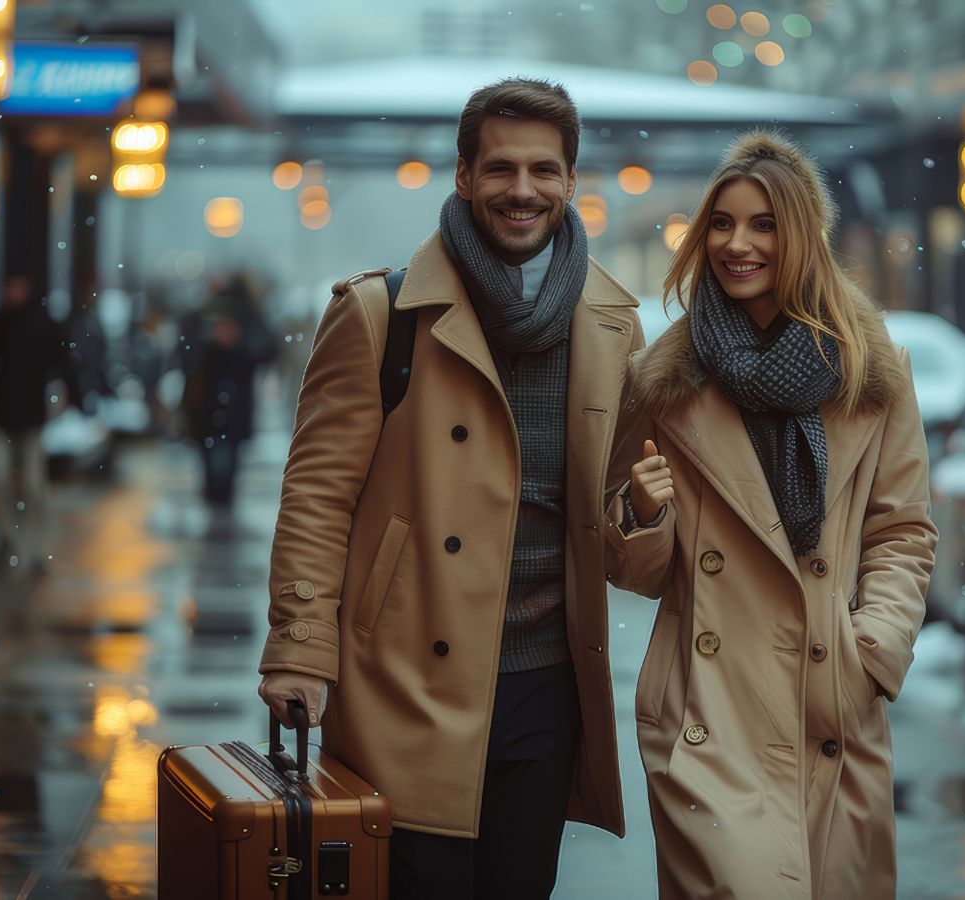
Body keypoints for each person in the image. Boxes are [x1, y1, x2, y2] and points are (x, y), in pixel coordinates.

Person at [257, 78, 645, 898]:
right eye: (500, 168)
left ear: (572, 183)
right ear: (463, 176)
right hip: (405, 679)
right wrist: (298, 648)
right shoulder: (382, 314)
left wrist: (644, 512)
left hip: (547, 687)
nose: (523, 190)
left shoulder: (612, 326)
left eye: (545, 170)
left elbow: (611, 521)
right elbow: (318, 496)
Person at [605, 130, 937, 898]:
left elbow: (902, 530)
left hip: (831, 705)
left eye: (764, 224)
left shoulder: (869, 371)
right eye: (721, 224)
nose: (738, 243)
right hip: (709, 713)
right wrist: (642, 513)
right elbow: (637, 572)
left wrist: (873, 651)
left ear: (803, 237)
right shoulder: (664, 381)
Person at [0, 274, 71, 573]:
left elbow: (61, 362)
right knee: (1, 484)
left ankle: (35, 549)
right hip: (4, 419)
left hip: (31, 420)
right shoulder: (1, 322)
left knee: (34, 487)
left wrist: (66, 392)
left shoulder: (40, 323)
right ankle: (7, 542)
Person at [180, 274, 276, 509]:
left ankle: (218, 506)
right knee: (215, 463)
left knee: (223, 464)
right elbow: (185, 353)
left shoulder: (246, 318)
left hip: (229, 407)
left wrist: (236, 345)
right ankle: (216, 505)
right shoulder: (203, 317)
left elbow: (265, 351)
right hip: (207, 406)